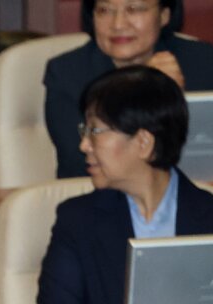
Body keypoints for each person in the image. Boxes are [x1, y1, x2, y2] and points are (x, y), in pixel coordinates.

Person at [38, 65, 213, 304]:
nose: (84, 145)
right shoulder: (77, 222)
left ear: (143, 143)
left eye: (95, 131)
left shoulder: (208, 216)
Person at [45, 0, 213, 179]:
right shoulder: (66, 73)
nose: (118, 24)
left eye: (133, 9)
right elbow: (80, 162)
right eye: (104, 10)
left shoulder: (203, 62)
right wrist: (151, 92)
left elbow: (202, 148)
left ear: (164, 15)